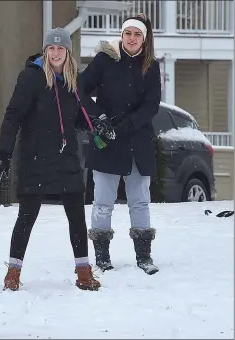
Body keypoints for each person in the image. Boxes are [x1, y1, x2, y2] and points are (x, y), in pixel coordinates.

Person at [0, 27, 106, 291]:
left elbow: (80, 115)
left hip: (67, 159)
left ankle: (84, 272)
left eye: (60, 48)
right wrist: (3, 155)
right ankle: (13, 274)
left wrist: (98, 124)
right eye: (51, 48)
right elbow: (13, 115)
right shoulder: (31, 78)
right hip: (35, 159)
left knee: (77, 218)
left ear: (67, 52)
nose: (56, 53)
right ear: (45, 51)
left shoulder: (73, 81)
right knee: (26, 218)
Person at [80, 14, 161, 275]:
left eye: (137, 34)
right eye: (128, 33)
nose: (132, 38)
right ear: (122, 35)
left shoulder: (151, 66)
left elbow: (151, 106)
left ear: (144, 39)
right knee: (103, 202)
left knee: (140, 201)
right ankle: (102, 257)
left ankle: (144, 257)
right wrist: (97, 119)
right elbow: (79, 90)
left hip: (137, 141)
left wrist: (126, 124)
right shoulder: (105, 60)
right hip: (107, 142)